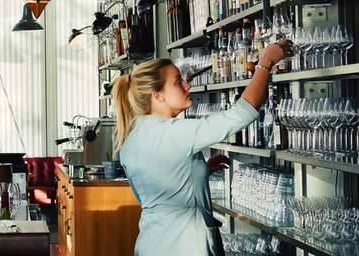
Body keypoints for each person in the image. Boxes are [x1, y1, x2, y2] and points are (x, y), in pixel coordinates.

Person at [114, 41, 292, 256]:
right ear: (157, 95)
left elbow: (155, 192)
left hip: (151, 243)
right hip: (186, 244)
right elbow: (242, 112)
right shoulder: (175, 132)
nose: (187, 86)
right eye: (178, 82)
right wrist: (266, 62)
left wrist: (199, 171)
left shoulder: (130, 139)